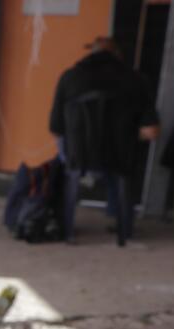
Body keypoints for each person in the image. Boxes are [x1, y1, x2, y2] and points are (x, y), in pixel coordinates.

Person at [50, 36, 160, 245]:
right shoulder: (137, 80)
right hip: (120, 157)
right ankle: (123, 227)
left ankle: (66, 227)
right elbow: (151, 132)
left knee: (66, 153)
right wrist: (125, 133)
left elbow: (55, 128)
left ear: (91, 53)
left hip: (79, 156)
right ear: (117, 55)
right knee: (121, 168)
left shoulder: (69, 76)